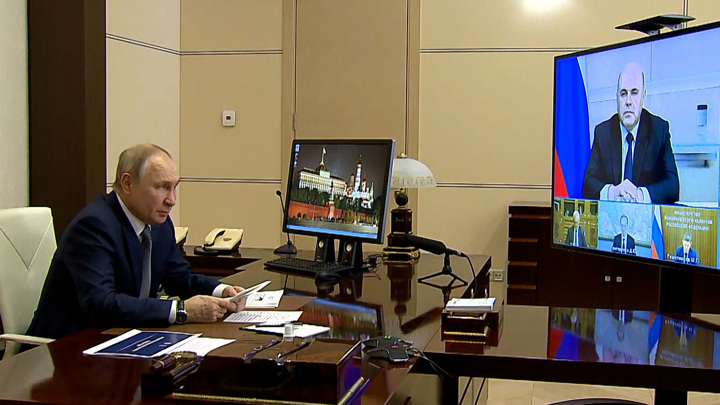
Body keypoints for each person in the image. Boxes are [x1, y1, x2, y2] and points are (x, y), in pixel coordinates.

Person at [26, 144, 247, 340]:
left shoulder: (159, 224)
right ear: (127, 183)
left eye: (174, 187)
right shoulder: (94, 225)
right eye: (162, 187)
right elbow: (101, 304)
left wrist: (222, 291)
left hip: (123, 339)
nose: (171, 200)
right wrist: (182, 310)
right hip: (64, 350)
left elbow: (179, 278)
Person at [582, 62, 679, 204]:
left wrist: (640, 195)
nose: (628, 101)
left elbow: (673, 186)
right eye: (623, 94)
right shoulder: (603, 132)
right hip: (612, 215)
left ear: (643, 97)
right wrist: (613, 192)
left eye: (634, 93)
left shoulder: (659, 130)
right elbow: (587, 184)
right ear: (617, 98)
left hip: (645, 216)